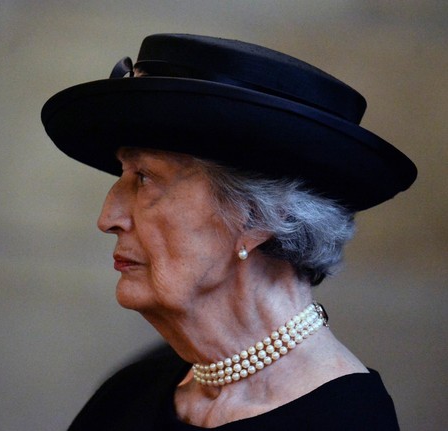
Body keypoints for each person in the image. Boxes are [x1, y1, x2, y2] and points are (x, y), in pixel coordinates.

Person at [41, 34, 416, 430]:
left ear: (254, 218)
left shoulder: (345, 421)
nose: (108, 218)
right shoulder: (132, 392)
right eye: (124, 173)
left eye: (145, 178)